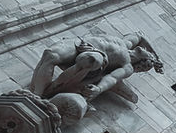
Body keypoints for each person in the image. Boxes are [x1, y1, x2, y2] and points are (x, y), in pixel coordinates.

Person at [31, 33, 162, 103]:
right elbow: (140, 36)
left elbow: (112, 78)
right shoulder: (128, 42)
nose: (146, 49)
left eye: (149, 54)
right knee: (50, 55)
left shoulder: (127, 66)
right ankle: (36, 93)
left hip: (98, 56)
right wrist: (157, 57)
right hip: (83, 43)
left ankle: (36, 97)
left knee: (92, 60)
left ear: (144, 62)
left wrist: (99, 88)